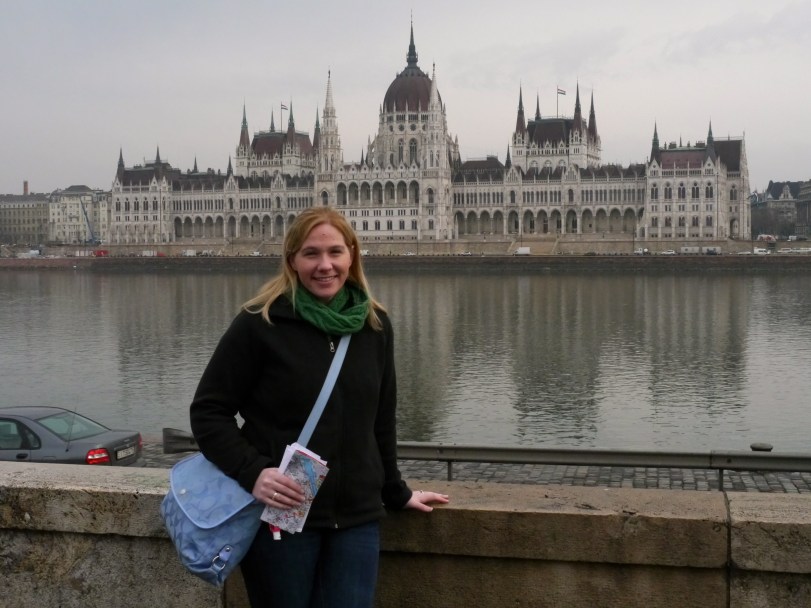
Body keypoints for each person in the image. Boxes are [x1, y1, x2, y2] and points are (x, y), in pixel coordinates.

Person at [190, 207, 449, 608]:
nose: (324, 265)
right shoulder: (260, 323)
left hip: (357, 520)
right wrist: (254, 472)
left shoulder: (374, 325)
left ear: (352, 255)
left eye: (335, 252)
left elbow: (381, 422)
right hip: (283, 516)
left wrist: (396, 492)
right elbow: (208, 412)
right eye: (311, 254)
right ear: (292, 259)